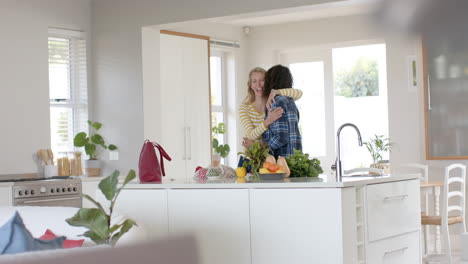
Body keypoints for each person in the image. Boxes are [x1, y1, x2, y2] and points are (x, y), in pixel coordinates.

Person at [239, 67, 303, 148]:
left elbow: (299, 93)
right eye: (254, 81)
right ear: (250, 85)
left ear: (268, 82)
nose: (258, 85)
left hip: (271, 154)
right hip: (254, 156)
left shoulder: (274, 102)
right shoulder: (244, 108)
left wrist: (276, 92)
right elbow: (250, 135)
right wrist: (268, 121)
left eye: (262, 80)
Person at [262, 65, 302, 158]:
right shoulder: (290, 101)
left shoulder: (276, 102)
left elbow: (281, 137)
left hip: (282, 161)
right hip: (294, 159)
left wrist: (264, 148)